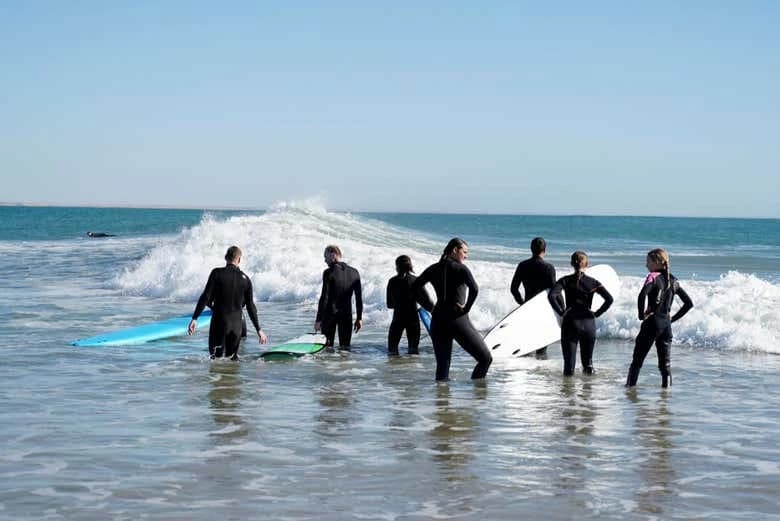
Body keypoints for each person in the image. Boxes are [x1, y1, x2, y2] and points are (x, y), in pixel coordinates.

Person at [412, 238, 492, 381]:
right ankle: (477, 397)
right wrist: (466, 308)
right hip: (457, 320)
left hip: (438, 321)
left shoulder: (433, 268)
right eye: (464, 252)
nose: (466, 256)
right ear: (455, 250)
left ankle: (442, 401)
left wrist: (430, 307)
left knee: (442, 367)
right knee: (485, 359)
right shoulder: (461, 268)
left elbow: (415, 288)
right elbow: (474, 289)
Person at [625, 248, 694, 388]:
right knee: (665, 365)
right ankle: (665, 397)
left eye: (648, 262)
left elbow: (642, 295)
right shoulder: (674, 281)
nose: (646, 265)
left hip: (651, 323)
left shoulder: (653, 276)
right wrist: (671, 319)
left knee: (637, 361)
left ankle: (629, 389)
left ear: (656, 262)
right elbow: (689, 304)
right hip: (665, 326)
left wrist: (640, 315)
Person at [188, 246, 267, 360]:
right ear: (239, 260)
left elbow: (206, 296)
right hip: (236, 328)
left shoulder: (217, 273)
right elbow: (250, 307)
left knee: (215, 361)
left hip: (219, 324)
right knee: (232, 363)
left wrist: (195, 318)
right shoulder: (246, 280)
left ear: (226, 257)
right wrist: (259, 329)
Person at [548, 251, 613, 376]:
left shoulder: (565, 281)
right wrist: (596, 313)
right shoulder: (594, 282)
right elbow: (609, 299)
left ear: (572, 264)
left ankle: (568, 394)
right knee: (588, 365)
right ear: (587, 264)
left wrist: (561, 312)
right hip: (589, 324)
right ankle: (587, 393)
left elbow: (552, 295)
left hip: (570, 323)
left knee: (569, 367)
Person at [509, 236, 557, 355]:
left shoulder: (523, 265)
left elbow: (513, 288)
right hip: (544, 310)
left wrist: (522, 303)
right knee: (541, 347)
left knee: (527, 345)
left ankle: (527, 369)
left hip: (528, 308)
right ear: (544, 251)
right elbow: (553, 292)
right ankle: (539, 369)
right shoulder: (549, 268)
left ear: (531, 249)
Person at [314, 245, 363, 349]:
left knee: (327, 348)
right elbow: (359, 298)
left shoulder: (328, 272)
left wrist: (318, 319)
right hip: (346, 315)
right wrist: (359, 318)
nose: (325, 260)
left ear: (333, 255)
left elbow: (324, 297)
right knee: (345, 348)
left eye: (325, 257)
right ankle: (345, 365)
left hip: (330, 316)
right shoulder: (355, 272)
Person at [386, 255, 434, 355]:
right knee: (413, 351)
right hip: (413, 319)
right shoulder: (416, 280)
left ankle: (393, 370)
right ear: (410, 266)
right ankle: (412, 370)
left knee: (392, 350)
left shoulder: (392, 282)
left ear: (397, 267)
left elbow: (389, 304)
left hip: (397, 318)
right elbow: (427, 302)